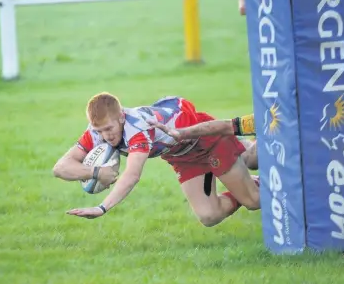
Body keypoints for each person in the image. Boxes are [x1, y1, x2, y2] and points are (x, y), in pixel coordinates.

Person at [53, 92, 258, 227]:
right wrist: (96, 172)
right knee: (209, 216)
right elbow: (60, 168)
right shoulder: (97, 132)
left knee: (254, 198)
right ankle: (253, 176)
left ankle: (273, 137)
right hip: (182, 156)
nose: (106, 136)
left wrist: (102, 207)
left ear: (121, 117)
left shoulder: (137, 129)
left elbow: (132, 175)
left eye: (109, 129)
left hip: (205, 139)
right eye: (100, 130)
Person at [148, 118, 344, 216]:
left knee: (249, 201)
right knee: (251, 158)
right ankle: (240, 153)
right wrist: (181, 133)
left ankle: (262, 181)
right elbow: (227, 125)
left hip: (319, 185)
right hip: (305, 156)